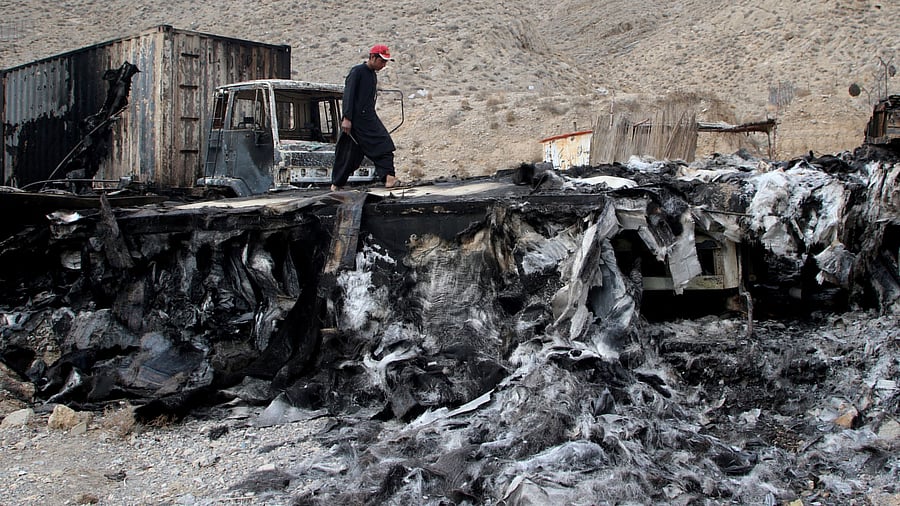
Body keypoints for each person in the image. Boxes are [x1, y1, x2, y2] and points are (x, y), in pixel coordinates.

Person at [331, 44, 401, 191]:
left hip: (368, 117)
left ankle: (338, 184)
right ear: (372, 57)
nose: (383, 65)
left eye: (385, 62)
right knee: (382, 144)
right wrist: (347, 118)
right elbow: (348, 95)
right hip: (357, 120)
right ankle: (337, 183)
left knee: (354, 153)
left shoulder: (372, 75)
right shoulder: (357, 72)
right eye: (381, 61)